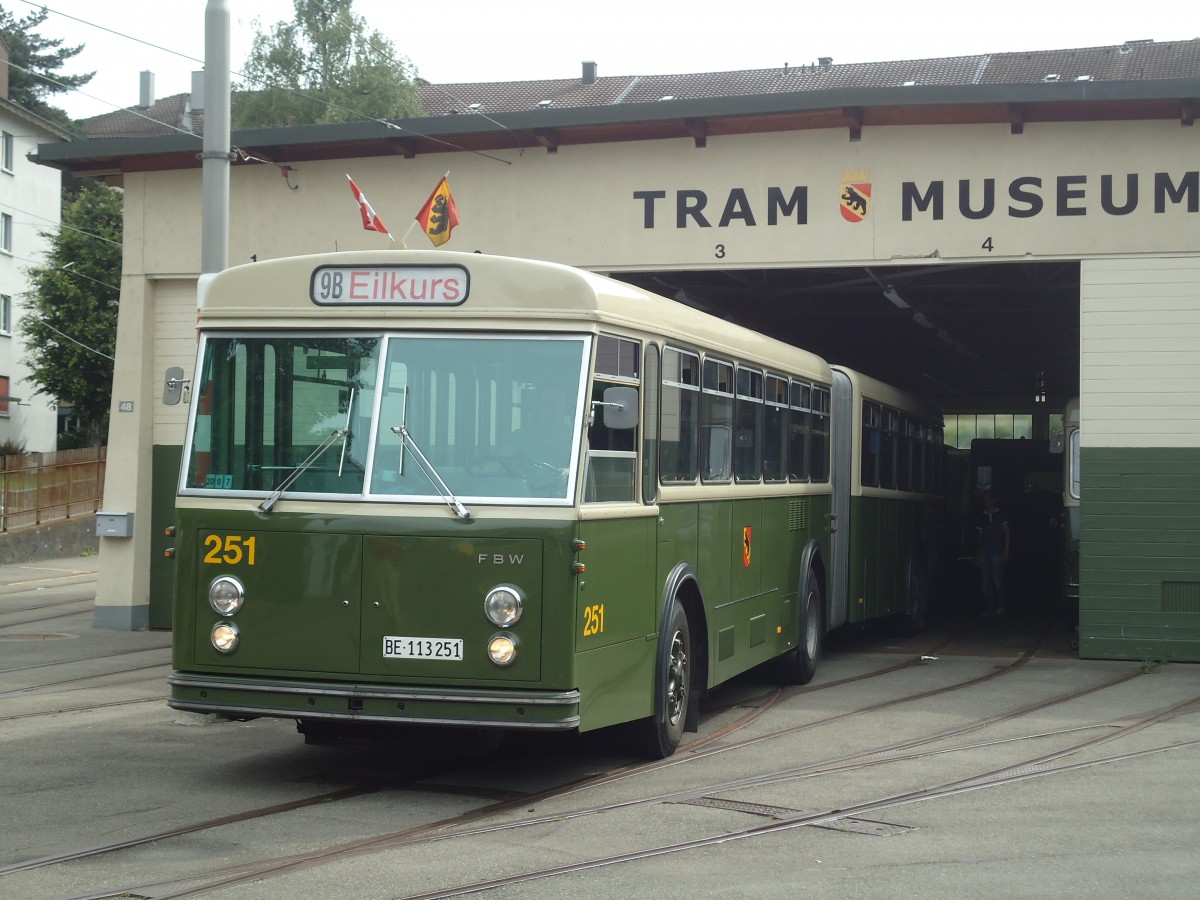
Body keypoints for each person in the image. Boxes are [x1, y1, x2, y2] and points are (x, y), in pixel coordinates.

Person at [975, 490, 1011, 617]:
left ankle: (1001, 605)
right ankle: (989, 608)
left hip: (997, 550)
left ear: (993, 500)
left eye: (988, 499)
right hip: (984, 551)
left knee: (997, 581)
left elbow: (1007, 533)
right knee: (985, 583)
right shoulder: (981, 517)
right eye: (984, 499)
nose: (986, 501)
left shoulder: (1001, 515)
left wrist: (1006, 550)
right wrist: (977, 554)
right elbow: (979, 537)